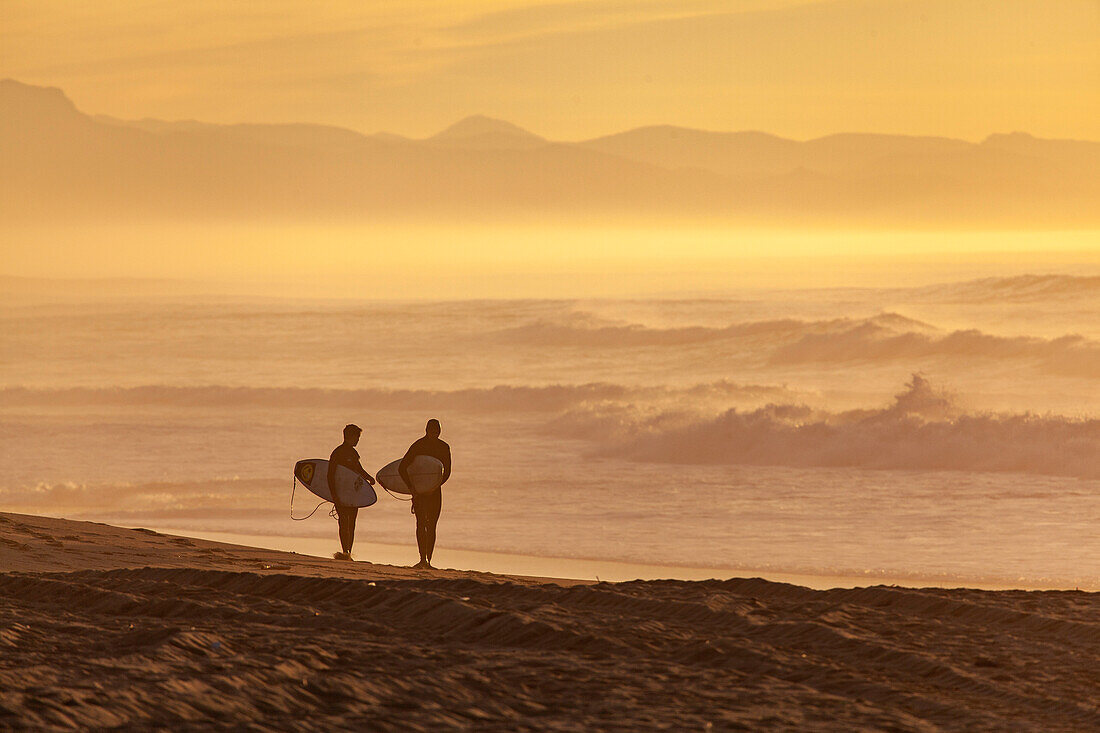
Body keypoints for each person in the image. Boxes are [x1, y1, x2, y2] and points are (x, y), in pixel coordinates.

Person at [398, 419, 451, 569]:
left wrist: (435, 486)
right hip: (420, 492)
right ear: (426, 430)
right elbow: (402, 468)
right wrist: (412, 488)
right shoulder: (418, 446)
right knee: (421, 524)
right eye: (432, 431)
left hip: (435, 492)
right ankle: (422, 559)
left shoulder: (444, 447)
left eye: (437, 431)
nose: (435, 434)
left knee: (432, 525)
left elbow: (446, 472)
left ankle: (428, 560)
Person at [328, 423, 375, 560]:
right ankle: (345, 551)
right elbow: (330, 475)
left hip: (352, 493)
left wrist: (369, 478)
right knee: (344, 521)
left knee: (352, 522)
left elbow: (359, 470)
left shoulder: (353, 453)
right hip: (341, 492)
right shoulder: (337, 453)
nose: (358, 440)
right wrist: (334, 494)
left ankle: (348, 552)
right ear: (350, 437)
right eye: (357, 437)